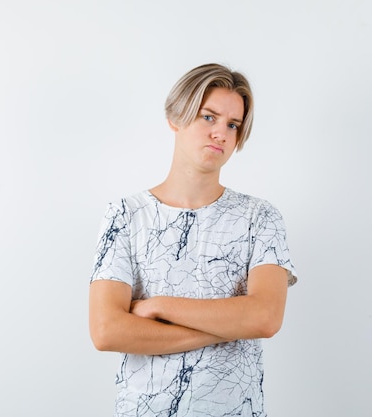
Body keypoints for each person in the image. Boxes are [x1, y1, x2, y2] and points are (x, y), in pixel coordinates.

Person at [88, 63, 298, 417]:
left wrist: (160, 307)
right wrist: (227, 328)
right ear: (176, 117)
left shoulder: (259, 218)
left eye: (233, 125)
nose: (221, 133)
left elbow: (264, 317)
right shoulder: (125, 215)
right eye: (208, 117)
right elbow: (107, 330)